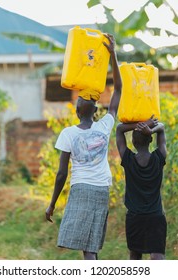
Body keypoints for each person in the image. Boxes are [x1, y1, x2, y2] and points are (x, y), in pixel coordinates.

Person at [45, 33, 121, 260]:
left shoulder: (68, 134)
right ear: (96, 111)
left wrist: (52, 204)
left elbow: (61, 174)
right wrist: (113, 54)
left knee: (85, 246)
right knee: (92, 245)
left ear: (77, 111)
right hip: (101, 190)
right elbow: (118, 90)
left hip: (81, 189)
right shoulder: (105, 126)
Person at [116, 120, 167, 260]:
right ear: (151, 139)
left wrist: (138, 125)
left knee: (135, 256)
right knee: (158, 255)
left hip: (134, 218)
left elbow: (119, 129)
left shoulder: (128, 159)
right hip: (155, 217)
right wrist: (150, 128)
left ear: (132, 141)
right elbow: (162, 128)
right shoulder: (159, 157)